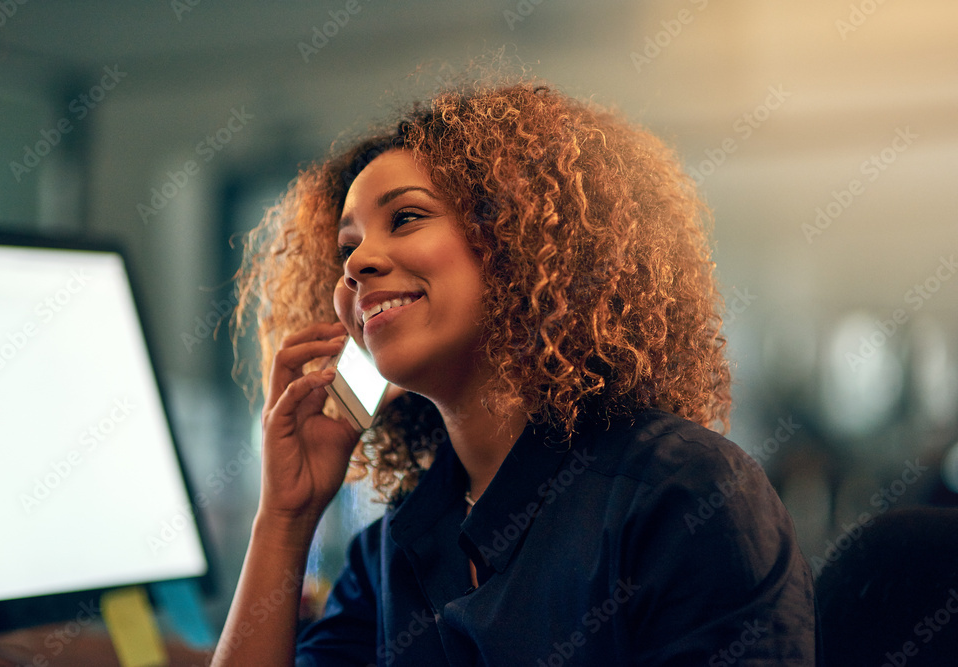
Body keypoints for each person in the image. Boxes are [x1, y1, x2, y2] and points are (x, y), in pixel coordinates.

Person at [214, 80, 819, 665]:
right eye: (348, 247)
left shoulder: (684, 493)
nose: (358, 264)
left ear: (512, 241)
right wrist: (285, 516)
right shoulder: (393, 548)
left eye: (405, 219)